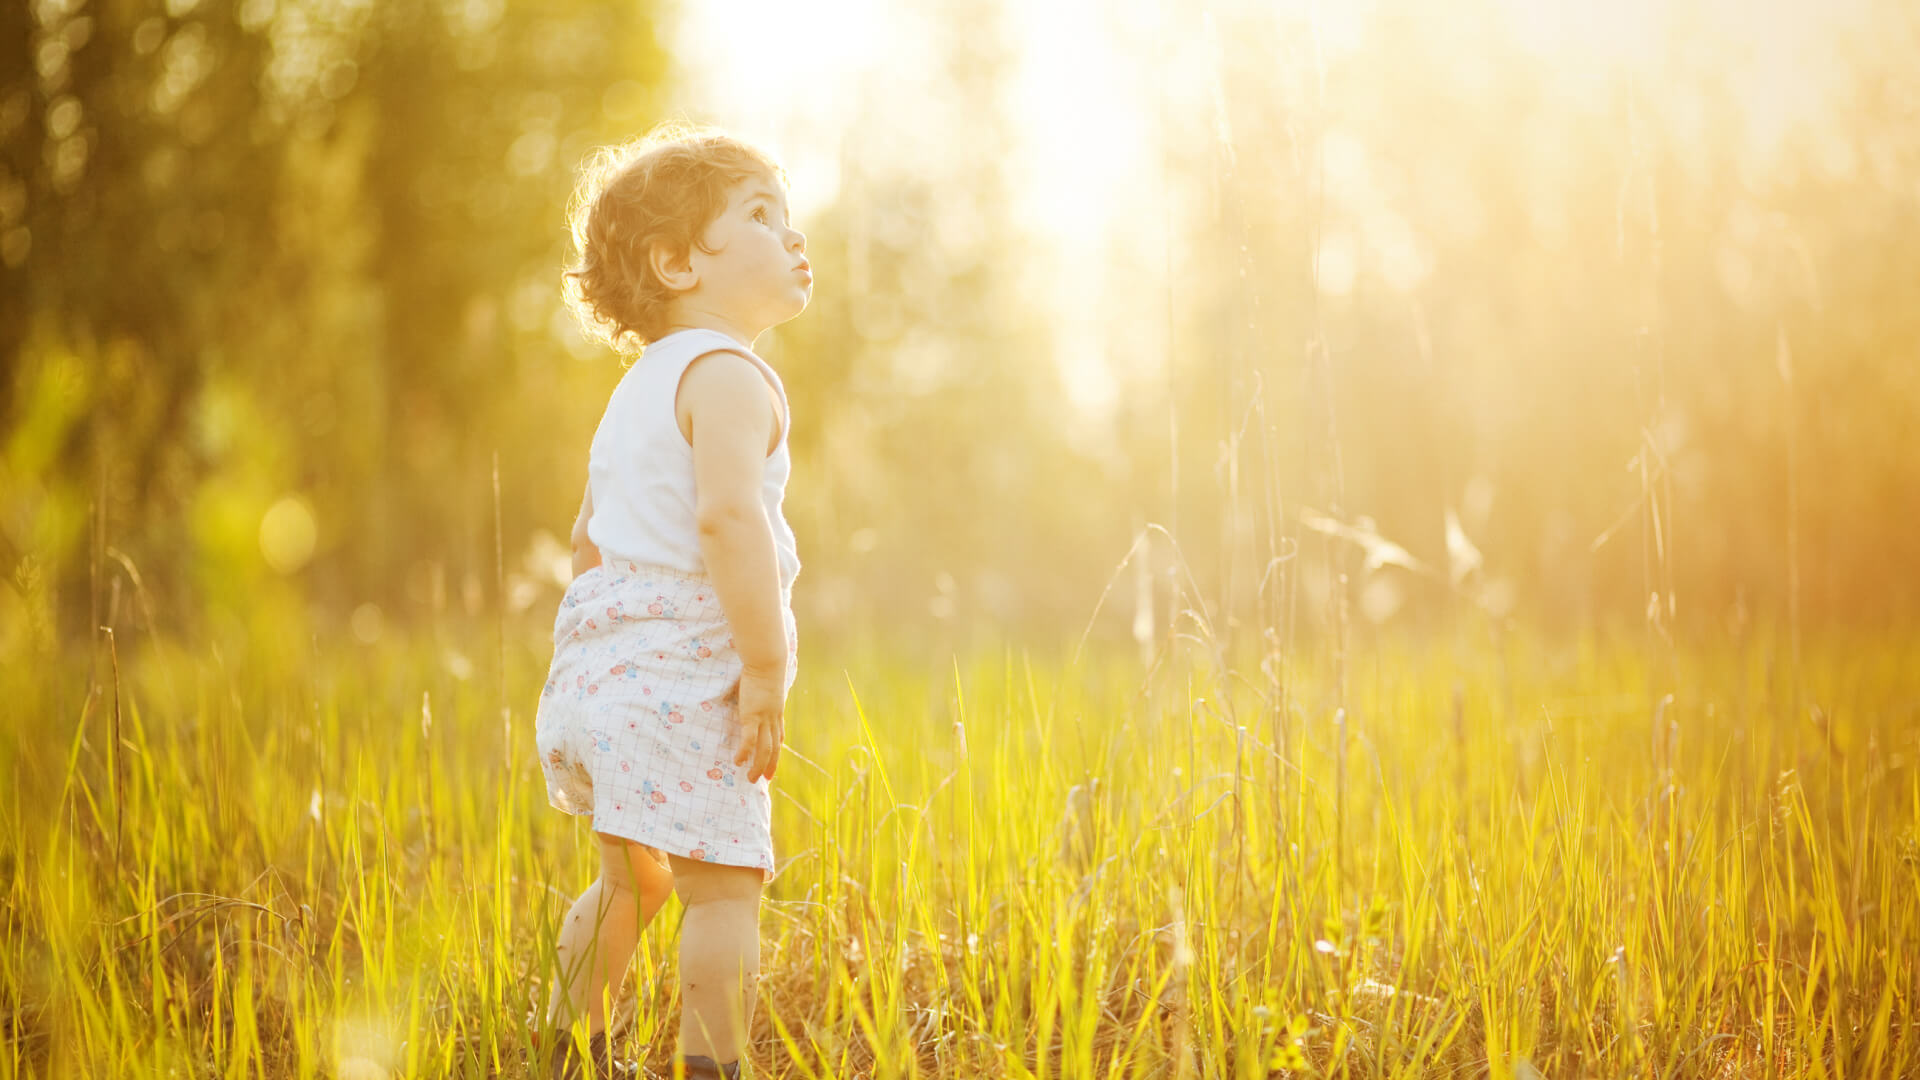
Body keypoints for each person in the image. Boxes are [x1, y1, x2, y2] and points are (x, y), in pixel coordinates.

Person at [532, 119, 810, 1080]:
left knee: (628, 880)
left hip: (599, 674)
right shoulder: (730, 374)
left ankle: (564, 1050)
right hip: (684, 679)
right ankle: (711, 1069)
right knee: (724, 890)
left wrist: (609, 668)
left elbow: (585, 541)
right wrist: (765, 668)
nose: (794, 236)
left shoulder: (634, 391)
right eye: (763, 216)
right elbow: (728, 521)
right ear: (677, 262)